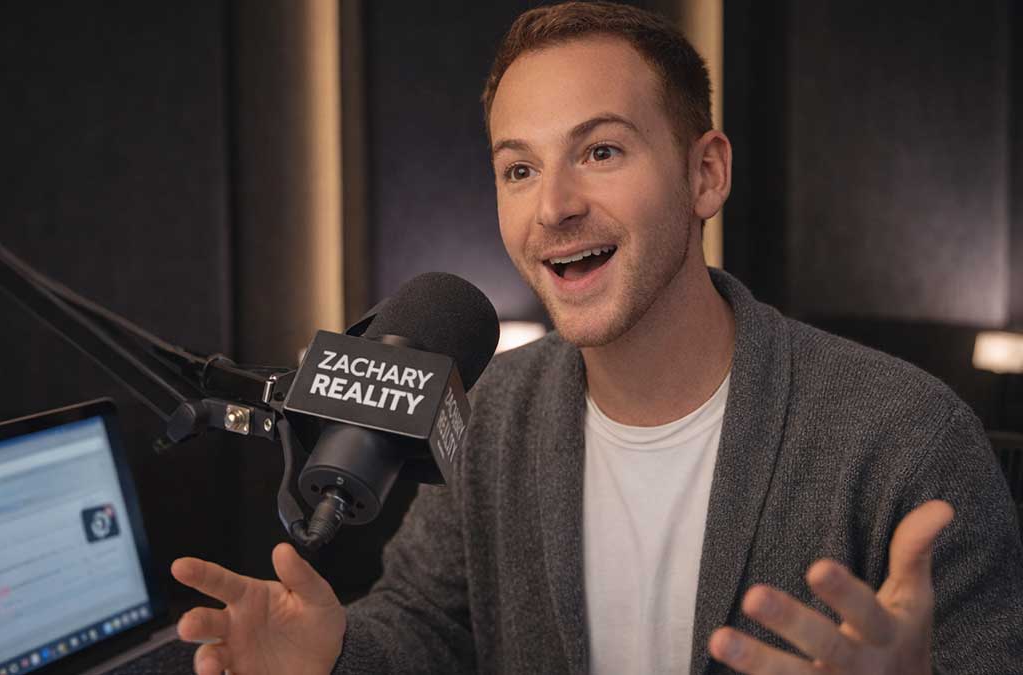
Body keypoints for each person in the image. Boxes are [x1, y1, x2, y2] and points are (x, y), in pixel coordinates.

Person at [170, 3, 1023, 674]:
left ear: (705, 173)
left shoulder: (905, 436)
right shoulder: (490, 412)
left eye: (602, 151)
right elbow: (429, 626)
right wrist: (335, 654)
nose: (553, 207)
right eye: (519, 168)